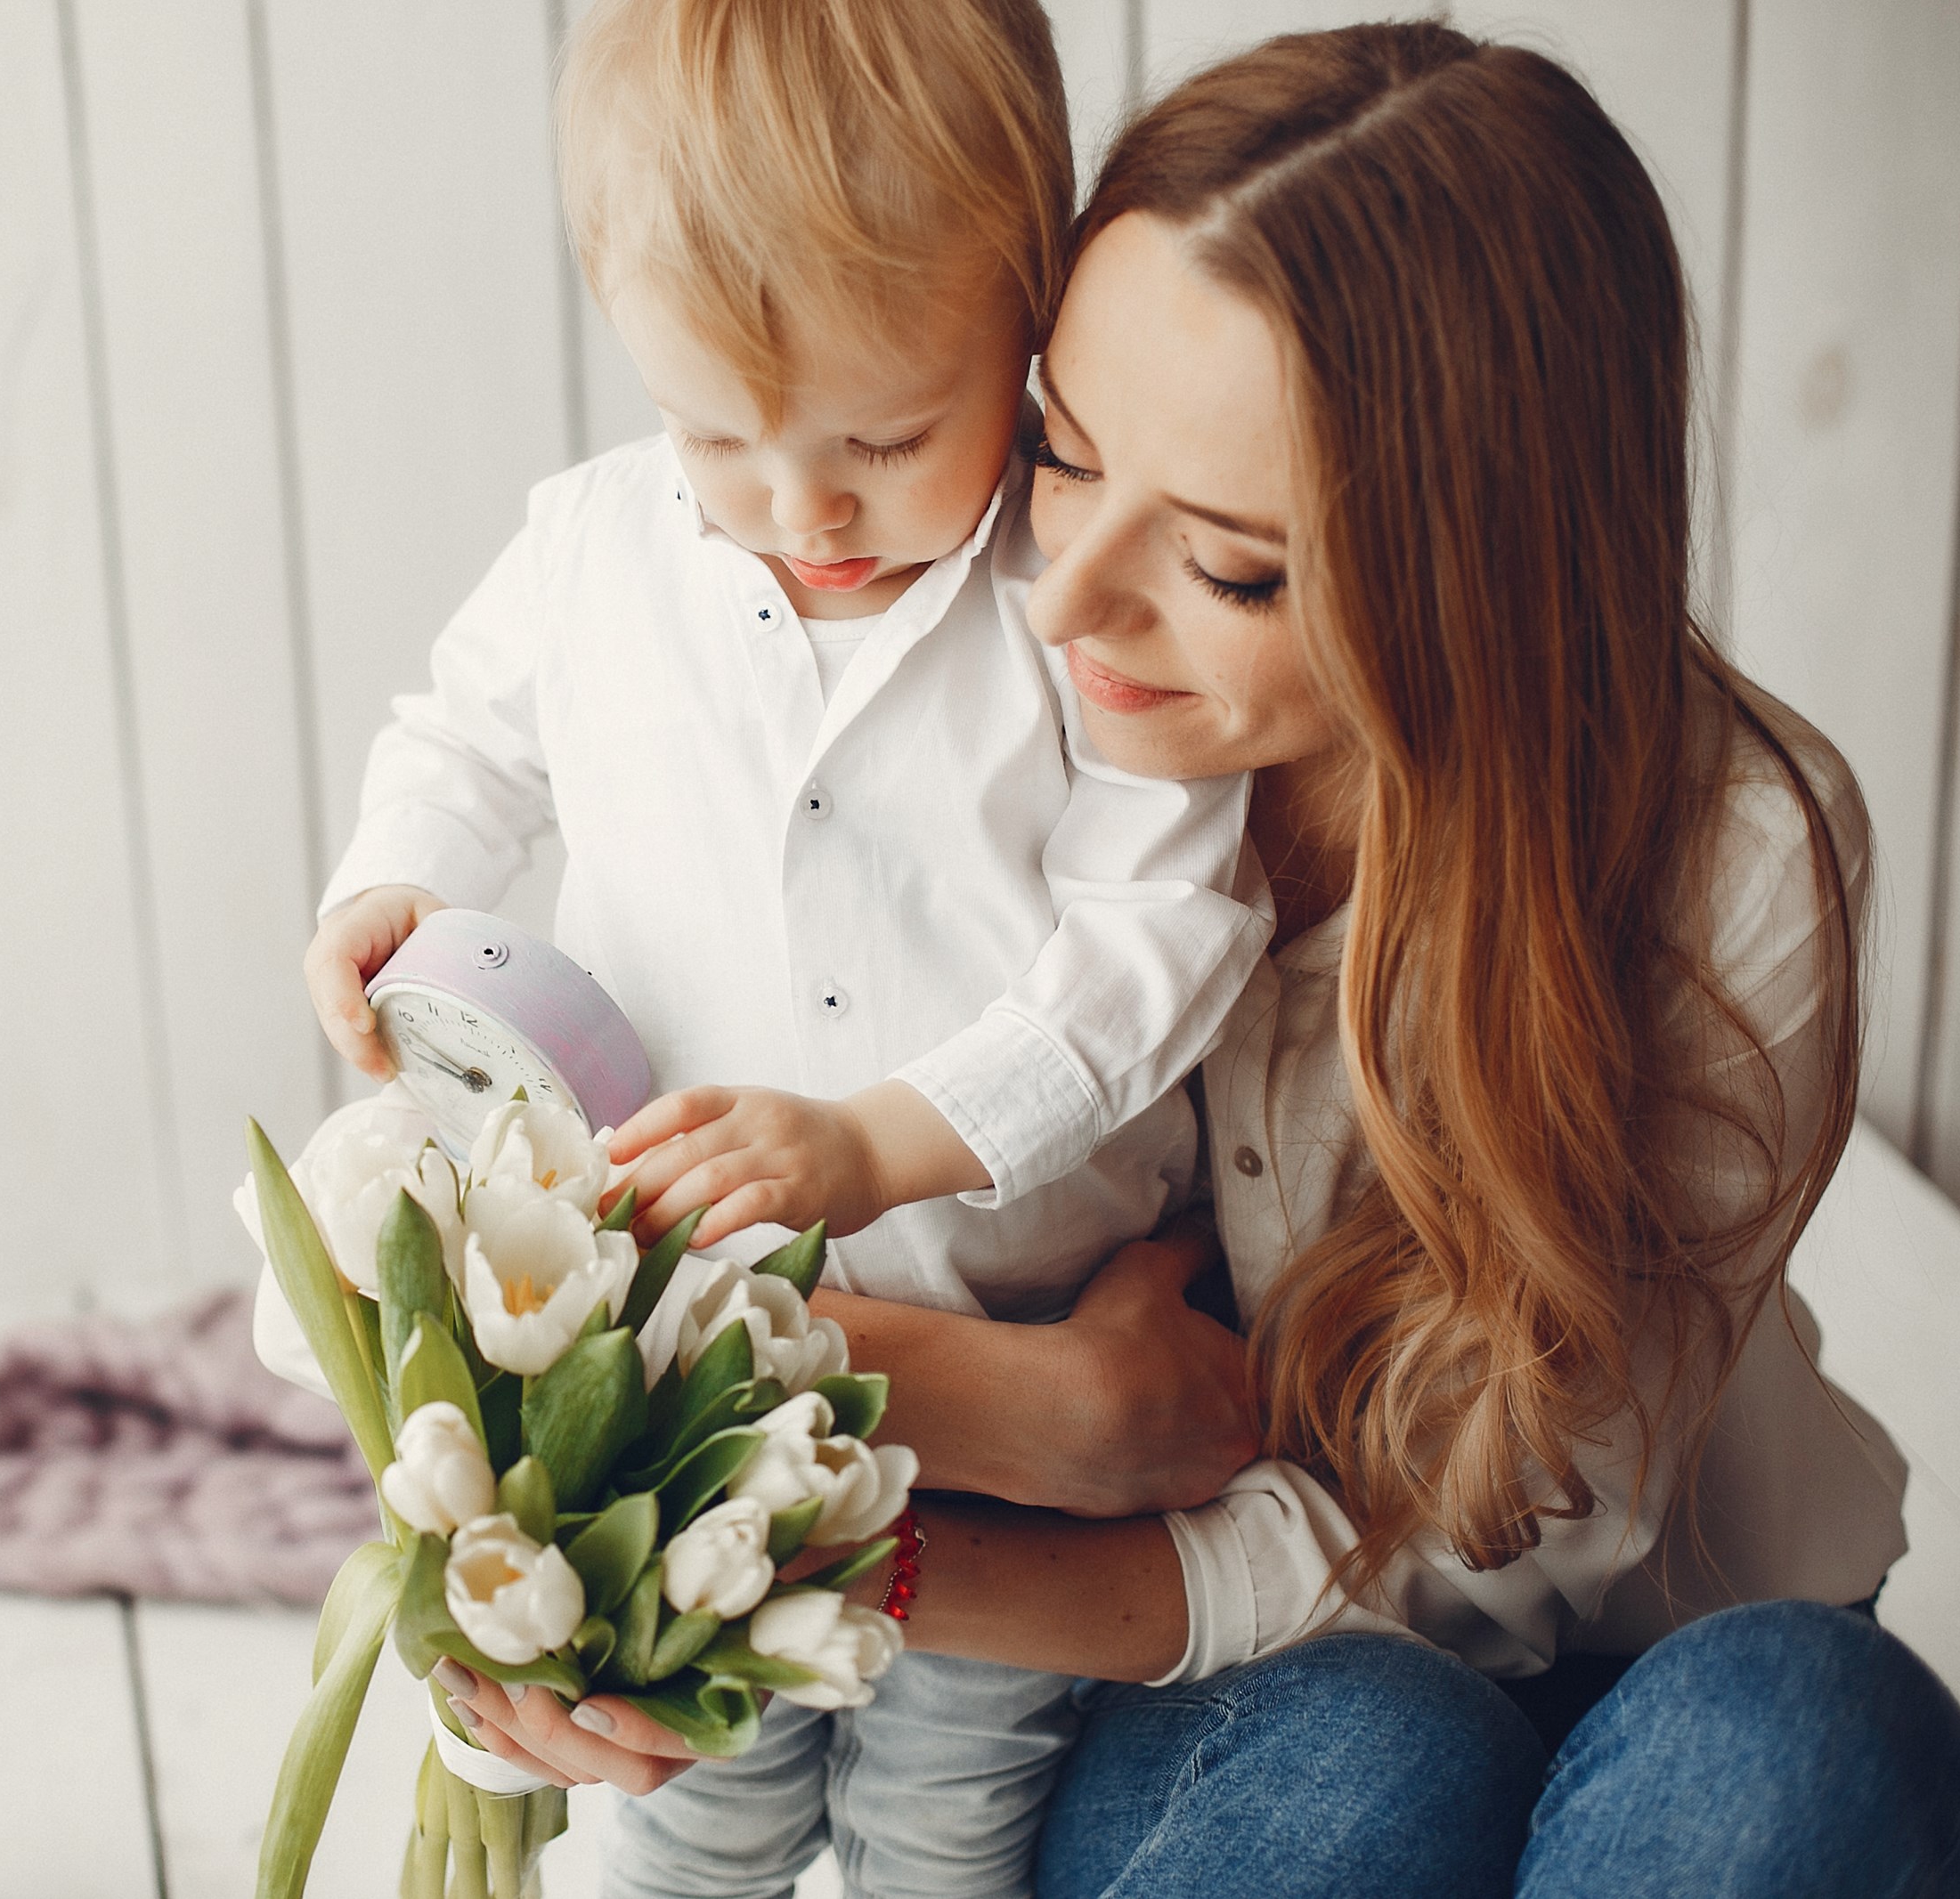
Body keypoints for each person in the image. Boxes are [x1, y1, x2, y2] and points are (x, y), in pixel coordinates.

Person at [451, 23, 1960, 1896]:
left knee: (1805, 1739)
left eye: (1232, 568)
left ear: (1477, 573)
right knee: (1357, 1761)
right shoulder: (941, 697)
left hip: (1613, 1619)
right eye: (1056, 451)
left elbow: (1510, 1529)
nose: (1062, 599)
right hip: (1218, 1678)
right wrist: (608, 1560)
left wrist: (943, 1442)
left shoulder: (1724, 853)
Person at [289, 2, 1276, 1890]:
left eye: (884, 435)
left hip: (1006, 1362)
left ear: (1032, 309)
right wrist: (389, 886)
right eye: (711, 434)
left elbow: (1155, 940)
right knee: (685, 1795)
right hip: (683, 1369)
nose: (800, 503)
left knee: (944, 1814)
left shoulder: (1076, 603)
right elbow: (457, 737)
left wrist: (884, 1137)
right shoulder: (593, 552)